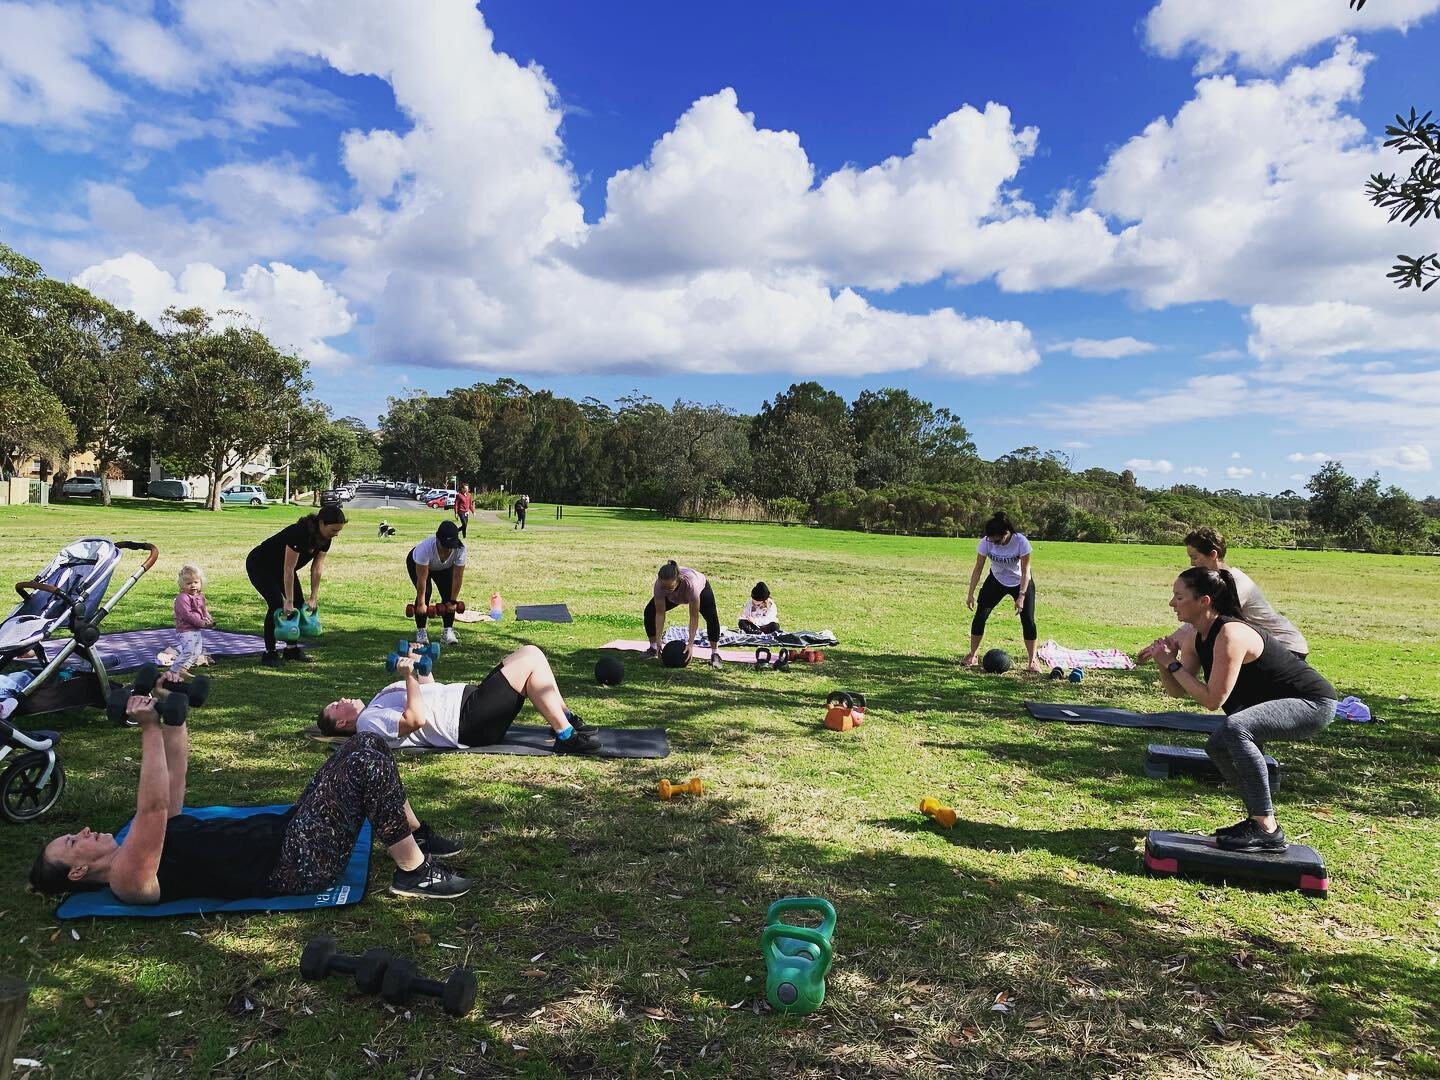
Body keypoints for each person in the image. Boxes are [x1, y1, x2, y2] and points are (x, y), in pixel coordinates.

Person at [30, 685, 470, 902]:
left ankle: (417, 841)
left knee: (367, 745)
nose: (82, 832)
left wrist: (173, 713)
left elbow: (174, 783)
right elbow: (153, 805)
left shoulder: (136, 844)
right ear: (77, 872)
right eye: (72, 842)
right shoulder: (128, 879)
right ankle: (413, 870)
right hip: (297, 865)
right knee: (364, 758)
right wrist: (146, 728)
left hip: (292, 832)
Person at [1147, 566, 1337, 852]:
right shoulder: (1196, 637)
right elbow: (1177, 690)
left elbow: (1213, 700)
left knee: (1236, 728)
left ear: (1204, 601)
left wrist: (1173, 665)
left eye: (1178, 596)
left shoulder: (1230, 634)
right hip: (1274, 704)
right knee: (1218, 745)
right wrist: (1165, 662)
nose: (1172, 603)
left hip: (1313, 703)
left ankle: (1266, 826)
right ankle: (1258, 819)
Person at [318, 643, 602, 754]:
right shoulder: (368, 722)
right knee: (529, 657)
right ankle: (565, 735)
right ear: (342, 723)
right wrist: (407, 677)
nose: (341, 698)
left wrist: (419, 664)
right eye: (335, 705)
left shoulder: (378, 698)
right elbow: (416, 718)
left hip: (468, 705)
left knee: (531, 657)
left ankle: (564, 719)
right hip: (466, 723)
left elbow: (429, 688)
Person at [1140, 527, 1308, 664]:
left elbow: (1205, 622)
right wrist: (1160, 647)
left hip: (1286, 646)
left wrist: (1166, 648)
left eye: (1195, 557)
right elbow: (1196, 622)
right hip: (1260, 645)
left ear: (1213, 555)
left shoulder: (1235, 583)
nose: (1192, 563)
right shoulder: (1212, 582)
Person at [246, 505, 346, 667]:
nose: (336, 534)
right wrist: (288, 600)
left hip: (281, 570)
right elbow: (288, 569)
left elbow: (317, 568)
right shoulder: (299, 533)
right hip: (260, 565)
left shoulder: (325, 539)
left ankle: (291, 650)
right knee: (277, 605)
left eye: (338, 531)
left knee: (299, 605)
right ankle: (270, 653)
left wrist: (313, 597)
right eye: (333, 530)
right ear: (321, 523)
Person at [961, 511, 1041, 673]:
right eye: (991, 540)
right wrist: (970, 593)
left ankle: (1032, 661)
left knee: (1028, 621)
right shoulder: (986, 542)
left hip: (1020, 582)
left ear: (1006, 533)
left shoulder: (1021, 542)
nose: (993, 544)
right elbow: (978, 569)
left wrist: (1021, 596)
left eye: (996, 540)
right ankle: (973, 654)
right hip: (996, 580)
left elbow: (1026, 571)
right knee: (980, 615)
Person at [645, 560, 723, 670]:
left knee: (711, 617)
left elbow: (694, 617)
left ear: (677, 580)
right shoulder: (659, 586)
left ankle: (715, 653)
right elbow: (660, 614)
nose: (666, 590)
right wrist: (658, 640)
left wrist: (690, 644)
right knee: (649, 611)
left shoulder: (692, 585)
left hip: (699, 590)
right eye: (664, 588)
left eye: (669, 587)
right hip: (675, 597)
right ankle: (653, 648)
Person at [408, 520, 466, 646]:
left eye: (451, 545)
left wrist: (453, 602)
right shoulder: (426, 549)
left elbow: (457, 577)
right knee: (426, 593)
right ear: (437, 539)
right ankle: (421, 631)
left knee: (448, 593)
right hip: (417, 564)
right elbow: (422, 579)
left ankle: (448, 632)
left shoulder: (460, 550)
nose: (448, 549)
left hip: (443, 568)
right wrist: (421, 605)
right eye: (445, 545)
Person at [170, 563, 214, 678]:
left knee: (197, 651)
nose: (193, 586)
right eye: (189, 583)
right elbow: (187, 615)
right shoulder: (182, 598)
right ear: (182, 585)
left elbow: (203, 609)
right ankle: (173, 671)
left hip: (196, 629)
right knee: (188, 650)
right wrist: (201, 623)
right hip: (185, 630)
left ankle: (184, 668)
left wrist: (208, 618)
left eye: (196, 582)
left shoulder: (200, 596)